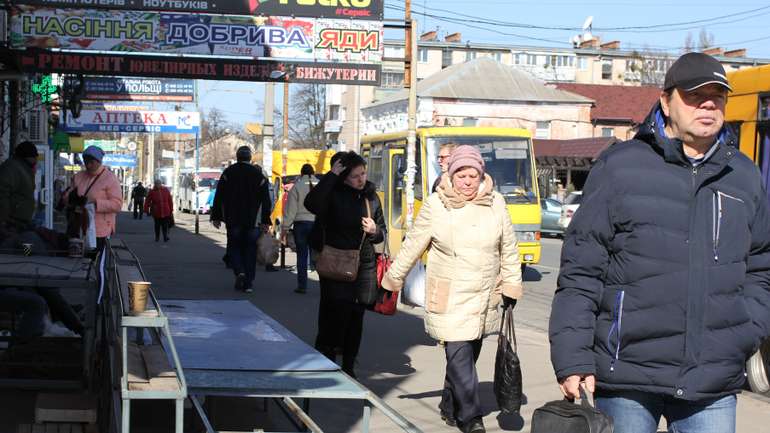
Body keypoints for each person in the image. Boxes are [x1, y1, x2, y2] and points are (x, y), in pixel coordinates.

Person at [549, 52, 770, 433]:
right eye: (694, 95)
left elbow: (761, 265)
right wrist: (573, 358)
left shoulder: (744, 176)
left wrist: (744, 333)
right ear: (666, 102)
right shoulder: (621, 166)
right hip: (627, 376)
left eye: (717, 96)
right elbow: (582, 270)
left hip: (712, 381)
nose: (707, 104)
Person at [382, 145, 522, 433]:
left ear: (482, 176)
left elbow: (509, 248)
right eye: (461, 175)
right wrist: (392, 281)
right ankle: (471, 418)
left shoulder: (496, 204)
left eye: (473, 175)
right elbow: (413, 246)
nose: (467, 181)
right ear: (451, 174)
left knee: (467, 357)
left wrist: (511, 283)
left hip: (484, 296)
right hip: (449, 296)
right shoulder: (436, 205)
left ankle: (450, 405)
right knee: (459, 357)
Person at [304, 151, 386, 378]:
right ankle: (327, 356)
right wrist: (331, 175)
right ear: (342, 176)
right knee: (333, 311)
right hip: (335, 261)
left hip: (364, 262)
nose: (361, 180)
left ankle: (349, 363)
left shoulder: (371, 196)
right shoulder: (332, 193)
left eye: (363, 174)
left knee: (356, 314)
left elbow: (382, 232)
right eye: (355, 176)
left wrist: (375, 231)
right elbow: (312, 204)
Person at [211, 146, 272, 293]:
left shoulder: (228, 173)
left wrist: (217, 216)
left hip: (233, 219)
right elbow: (266, 200)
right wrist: (265, 220)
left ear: (237, 157)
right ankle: (249, 283)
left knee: (234, 246)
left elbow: (219, 195)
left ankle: (239, 272)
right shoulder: (258, 175)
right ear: (250, 158)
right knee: (250, 250)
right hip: (252, 221)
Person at [66, 146, 123, 252]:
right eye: (85, 161)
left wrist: (96, 203)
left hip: (100, 229)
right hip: (79, 226)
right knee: (78, 259)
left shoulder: (110, 178)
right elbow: (69, 195)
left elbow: (117, 204)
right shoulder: (78, 176)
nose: (88, 165)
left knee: (96, 259)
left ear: (99, 161)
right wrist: (69, 198)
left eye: (91, 162)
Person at [282, 164, 316, 294]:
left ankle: (302, 285)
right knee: (318, 255)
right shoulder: (320, 185)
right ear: (313, 173)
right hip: (316, 225)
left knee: (302, 255)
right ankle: (325, 285)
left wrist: (285, 228)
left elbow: (290, 211)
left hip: (300, 225)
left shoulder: (296, 187)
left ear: (301, 173)